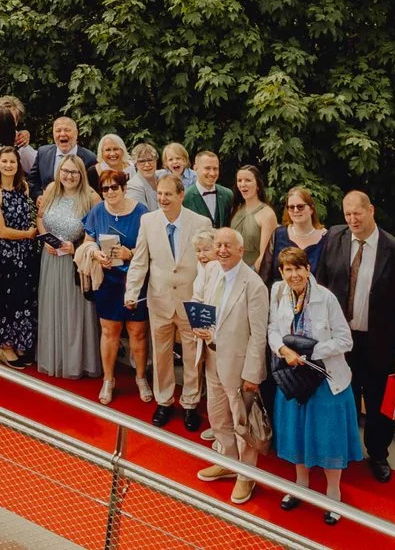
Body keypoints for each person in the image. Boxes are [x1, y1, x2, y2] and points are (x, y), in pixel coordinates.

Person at [313, 189, 395, 484]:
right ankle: (340, 450)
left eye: (357, 213)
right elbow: (320, 284)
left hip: (378, 341)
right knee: (340, 396)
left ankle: (378, 453)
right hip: (340, 340)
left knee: (378, 403)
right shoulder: (335, 237)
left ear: (371, 210)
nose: (352, 219)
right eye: (347, 214)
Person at [269, 241, 363, 525]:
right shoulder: (280, 295)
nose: (294, 274)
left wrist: (310, 351)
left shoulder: (326, 298)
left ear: (308, 269)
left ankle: (332, 494)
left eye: (298, 268)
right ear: (282, 272)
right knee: (297, 431)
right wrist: (284, 351)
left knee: (329, 437)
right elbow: (273, 329)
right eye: (288, 269)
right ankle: (300, 485)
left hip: (325, 379)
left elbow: (345, 340)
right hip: (295, 377)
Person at [125, 170, 214, 430]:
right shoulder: (148, 221)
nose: (163, 199)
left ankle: (190, 404)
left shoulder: (201, 223)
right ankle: (164, 402)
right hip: (160, 299)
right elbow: (141, 260)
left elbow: (208, 264)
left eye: (168, 194)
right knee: (161, 354)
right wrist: (132, 292)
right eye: (159, 194)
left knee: (192, 357)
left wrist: (207, 300)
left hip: (192, 300)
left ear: (181, 195)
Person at [193, 226, 274, 502]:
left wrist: (252, 375)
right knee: (217, 416)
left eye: (228, 246)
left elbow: (258, 334)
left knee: (243, 424)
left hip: (239, 367)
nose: (222, 250)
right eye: (218, 245)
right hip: (211, 356)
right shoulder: (212, 271)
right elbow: (202, 304)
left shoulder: (254, 285)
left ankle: (246, 475)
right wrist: (200, 328)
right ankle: (227, 462)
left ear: (241, 250)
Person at [81, 166, 151, 405]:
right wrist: (94, 254)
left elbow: (150, 248)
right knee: (109, 332)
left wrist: (129, 253)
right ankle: (108, 380)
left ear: (123, 188)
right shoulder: (97, 211)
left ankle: (141, 377)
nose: (109, 192)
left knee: (137, 332)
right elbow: (88, 240)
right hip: (108, 280)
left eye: (114, 187)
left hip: (134, 279)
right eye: (104, 188)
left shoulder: (141, 212)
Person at [35, 153, 101, 379]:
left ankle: (76, 362)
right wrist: (45, 239)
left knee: (74, 311)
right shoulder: (52, 189)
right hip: (51, 260)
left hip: (75, 263)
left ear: (81, 174)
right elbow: (40, 217)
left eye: (74, 172)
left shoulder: (91, 197)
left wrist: (78, 247)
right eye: (65, 171)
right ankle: (54, 357)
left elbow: (98, 231)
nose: (69, 176)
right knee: (52, 306)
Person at [0, 141, 40, 365]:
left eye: (12, 162)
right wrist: (28, 234)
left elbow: (31, 214)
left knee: (23, 299)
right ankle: (5, 346)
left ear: (18, 165)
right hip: (6, 256)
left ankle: (21, 342)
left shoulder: (24, 188)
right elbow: (2, 231)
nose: (8, 165)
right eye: (4, 161)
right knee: (6, 300)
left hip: (26, 256)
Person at [268, 184, 330, 273]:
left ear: (311, 209)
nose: (296, 210)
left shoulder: (326, 238)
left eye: (300, 206)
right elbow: (266, 270)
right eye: (291, 207)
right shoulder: (278, 235)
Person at [230, 163, 278, 275]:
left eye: (248, 180)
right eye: (239, 180)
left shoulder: (267, 214)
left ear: (257, 185)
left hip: (254, 274)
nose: (243, 184)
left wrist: (248, 275)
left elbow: (264, 255)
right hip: (232, 270)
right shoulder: (236, 208)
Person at [32, 115, 86, 194]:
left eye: (67, 130)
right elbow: (33, 181)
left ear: (76, 133)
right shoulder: (43, 153)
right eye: (58, 130)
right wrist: (38, 196)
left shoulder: (89, 158)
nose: (62, 134)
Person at [184, 152, 234, 230]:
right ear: (195, 168)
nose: (212, 173)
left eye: (215, 169)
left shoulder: (228, 195)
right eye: (207, 168)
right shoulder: (185, 197)